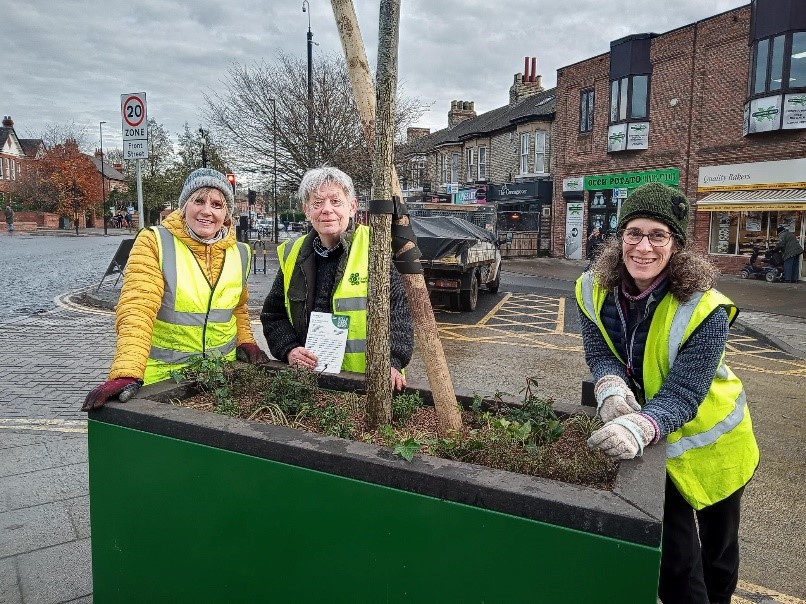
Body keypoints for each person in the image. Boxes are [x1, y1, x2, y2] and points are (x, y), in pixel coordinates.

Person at [575, 182, 759, 604]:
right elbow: (599, 349)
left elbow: (685, 392)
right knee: (675, 564)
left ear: (676, 245)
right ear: (619, 238)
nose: (643, 247)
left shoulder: (706, 308)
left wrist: (640, 426)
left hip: (716, 447)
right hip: (661, 447)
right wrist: (608, 384)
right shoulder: (591, 288)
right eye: (633, 233)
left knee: (718, 559)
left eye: (658, 236)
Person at [82, 168, 268, 410]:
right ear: (184, 206)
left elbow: (238, 308)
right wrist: (128, 371)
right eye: (198, 201)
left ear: (227, 213)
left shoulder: (240, 252)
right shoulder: (155, 241)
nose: (207, 211)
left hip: (220, 376)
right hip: (163, 380)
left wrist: (245, 341)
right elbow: (137, 307)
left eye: (217, 204)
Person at [260, 166, 413, 391]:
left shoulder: (374, 247)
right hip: (311, 383)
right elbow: (273, 314)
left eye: (335, 201)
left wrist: (393, 361)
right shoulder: (292, 253)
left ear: (352, 207)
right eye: (317, 202)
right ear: (306, 210)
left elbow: (399, 311)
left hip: (366, 382)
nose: (327, 210)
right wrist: (289, 349)